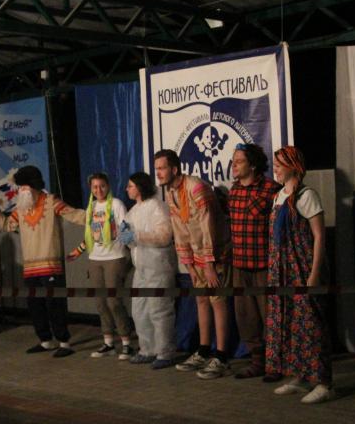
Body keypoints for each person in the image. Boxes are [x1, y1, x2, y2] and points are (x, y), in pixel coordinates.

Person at [0, 166, 83, 357]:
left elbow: (73, 214)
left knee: (55, 304)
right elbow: (7, 225)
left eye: (24, 186)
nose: (21, 190)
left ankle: (64, 342)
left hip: (51, 265)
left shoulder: (51, 201)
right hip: (30, 267)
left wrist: (98, 217)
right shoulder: (21, 208)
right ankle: (45, 340)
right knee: (35, 305)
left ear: (34, 186)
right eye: (20, 186)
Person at [154, 149, 232, 379]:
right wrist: (187, 262)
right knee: (201, 299)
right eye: (157, 168)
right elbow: (179, 230)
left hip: (214, 253)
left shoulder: (196, 187)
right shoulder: (171, 192)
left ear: (174, 169)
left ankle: (222, 357)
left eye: (162, 168)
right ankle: (203, 350)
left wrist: (209, 262)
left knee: (217, 300)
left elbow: (209, 226)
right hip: (196, 256)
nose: (158, 173)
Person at [265, 146, 335, 404]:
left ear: (293, 166)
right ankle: (300, 376)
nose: (275, 169)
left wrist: (314, 273)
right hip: (281, 270)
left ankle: (324, 382)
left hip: (301, 267)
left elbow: (319, 236)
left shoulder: (307, 196)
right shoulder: (278, 196)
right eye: (275, 164)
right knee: (288, 322)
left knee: (310, 325)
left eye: (280, 165)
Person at [228, 143, 281, 381]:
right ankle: (257, 361)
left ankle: (275, 364)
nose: (234, 165)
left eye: (239, 161)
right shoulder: (234, 190)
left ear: (253, 165)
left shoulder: (271, 189)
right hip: (240, 265)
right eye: (233, 161)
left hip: (263, 264)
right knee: (246, 318)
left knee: (270, 315)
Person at [67, 173, 133, 360]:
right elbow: (91, 236)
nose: (99, 190)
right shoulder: (92, 207)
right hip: (95, 258)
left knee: (114, 301)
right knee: (100, 302)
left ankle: (127, 343)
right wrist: (77, 251)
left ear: (108, 186)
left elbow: (125, 230)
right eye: (95, 187)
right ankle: (108, 343)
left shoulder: (117, 204)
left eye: (102, 186)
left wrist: (135, 250)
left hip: (115, 257)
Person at [118, 172, 177, 369]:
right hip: (141, 268)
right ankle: (147, 349)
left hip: (158, 266)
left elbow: (164, 235)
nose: (127, 189)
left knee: (159, 309)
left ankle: (165, 352)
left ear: (140, 187)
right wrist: (126, 238)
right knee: (139, 310)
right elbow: (129, 239)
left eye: (130, 186)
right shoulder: (132, 212)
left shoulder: (157, 207)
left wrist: (137, 235)